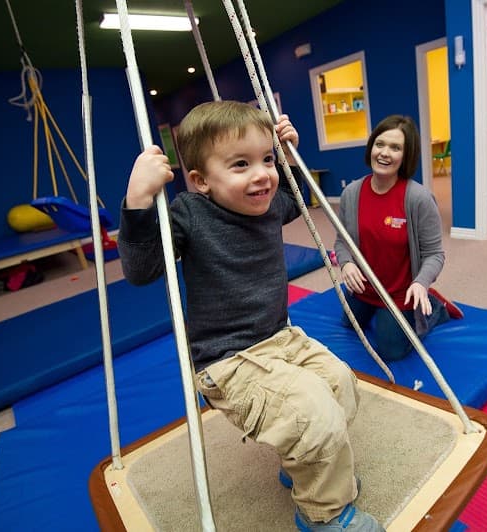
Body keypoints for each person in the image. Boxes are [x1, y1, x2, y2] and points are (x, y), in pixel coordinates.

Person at [118, 100, 384, 532]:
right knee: (311, 415)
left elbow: (295, 202)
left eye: (266, 160)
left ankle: (308, 465)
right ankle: (324, 515)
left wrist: (291, 156)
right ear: (201, 181)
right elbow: (142, 268)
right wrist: (138, 201)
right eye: (241, 164)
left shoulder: (268, 203)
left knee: (340, 385)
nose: (262, 174)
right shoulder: (190, 214)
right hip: (227, 360)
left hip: (279, 337)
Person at [334, 115, 461, 362]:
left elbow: (435, 253)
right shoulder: (351, 193)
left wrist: (421, 282)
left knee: (391, 351)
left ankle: (435, 309)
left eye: (396, 148)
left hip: (400, 292)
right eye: (380, 144)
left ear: (406, 155)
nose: (384, 153)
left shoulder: (418, 198)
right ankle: (373, 308)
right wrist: (346, 262)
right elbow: (342, 241)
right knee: (350, 325)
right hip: (365, 287)